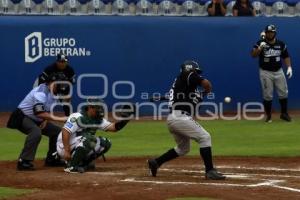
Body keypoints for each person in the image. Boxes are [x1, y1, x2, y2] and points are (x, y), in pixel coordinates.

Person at [147, 60, 225, 180]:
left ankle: (156, 162)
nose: (197, 74)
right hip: (180, 118)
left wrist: (200, 95)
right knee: (205, 137)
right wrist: (206, 91)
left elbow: (175, 96)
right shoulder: (187, 74)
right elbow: (207, 84)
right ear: (189, 69)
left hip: (174, 119)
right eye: (196, 71)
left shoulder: (180, 83)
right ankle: (210, 171)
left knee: (183, 148)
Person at [7, 74, 68, 171]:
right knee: (35, 132)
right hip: (22, 116)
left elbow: (47, 109)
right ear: (51, 83)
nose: (61, 86)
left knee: (57, 132)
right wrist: (61, 119)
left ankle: (52, 159)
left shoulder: (55, 93)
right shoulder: (41, 92)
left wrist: (45, 119)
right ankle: (24, 161)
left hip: (37, 119)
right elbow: (39, 112)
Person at [57, 98, 133, 173]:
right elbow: (65, 131)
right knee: (90, 139)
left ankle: (83, 164)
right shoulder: (77, 117)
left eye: (101, 107)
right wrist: (66, 151)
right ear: (90, 107)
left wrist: (125, 120)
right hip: (64, 146)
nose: (100, 110)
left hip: (79, 143)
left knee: (105, 143)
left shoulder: (97, 119)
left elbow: (113, 128)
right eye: (98, 108)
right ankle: (71, 166)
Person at [251, 24, 293, 123]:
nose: (270, 34)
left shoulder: (281, 44)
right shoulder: (260, 43)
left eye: (272, 32)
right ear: (265, 34)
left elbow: (286, 56)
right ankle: (269, 116)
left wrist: (289, 67)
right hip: (265, 72)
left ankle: (284, 114)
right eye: (268, 33)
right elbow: (253, 55)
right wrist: (260, 48)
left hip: (279, 71)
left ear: (275, 33)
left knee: (283, 92)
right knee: (268, 95)